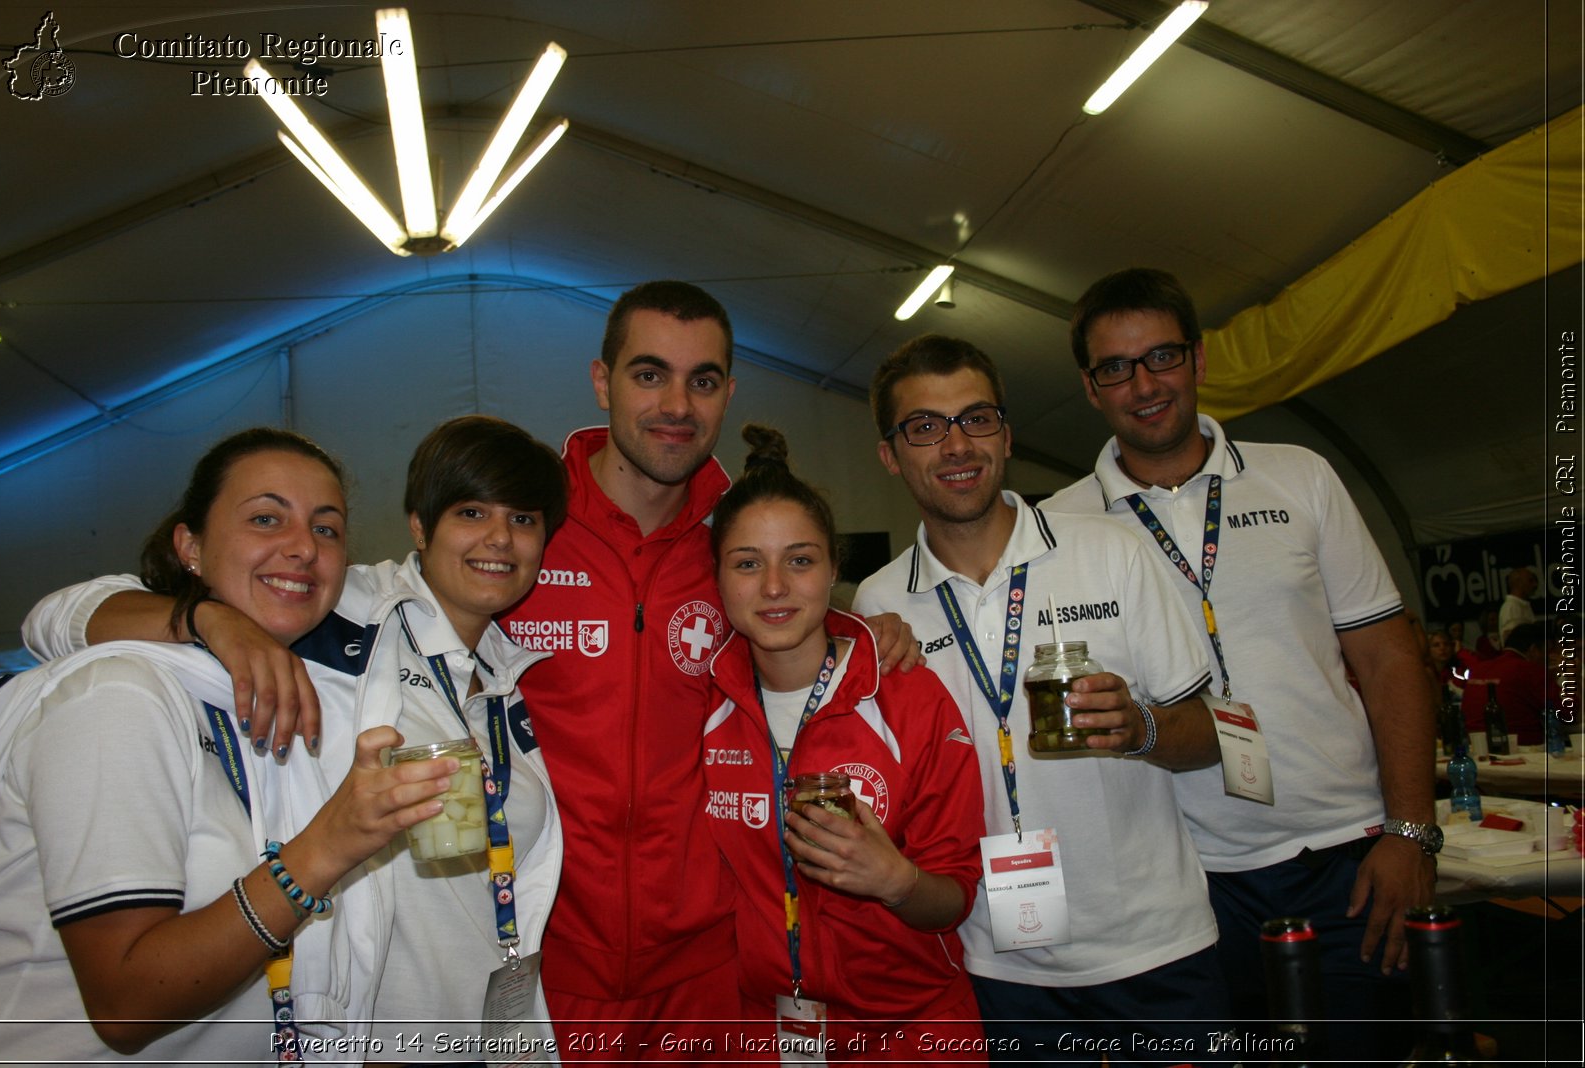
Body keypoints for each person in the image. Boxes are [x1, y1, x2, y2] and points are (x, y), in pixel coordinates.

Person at [19, 416, 569, 1052]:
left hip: (484, 1037)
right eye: (471, 512)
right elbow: (55, 619)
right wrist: (209, 619)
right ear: (419, 525)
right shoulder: (339, 608)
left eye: (524, 520)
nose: (499, 539)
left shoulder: (505, 680)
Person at [493, 281, 919, 1054]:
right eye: (649, 374)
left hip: (709, 970)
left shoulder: (737, 536)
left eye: (704, 380)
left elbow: (804, 620)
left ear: (728, 392)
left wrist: (875, 629)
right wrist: (203, 612)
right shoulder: (528, 521)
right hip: (546, 965)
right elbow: (399, 600)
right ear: (603, 381)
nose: (677, 405)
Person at [1047, 267, 1438, 1057]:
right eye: (1115, 368)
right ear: (1090, 389)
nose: (1144, 384)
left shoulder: (1300, 477)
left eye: (1161, 356)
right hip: (1182, 881)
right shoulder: (1057, 528)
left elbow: (1389, 657)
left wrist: (1411, 833)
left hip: (1346, 859)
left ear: (1197, 359)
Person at [852, 335, 1230, 1063]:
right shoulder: (880, 605)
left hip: (1157, 954)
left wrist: (1142, 727)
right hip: (998, 969)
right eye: (925, 427)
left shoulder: (1111, 553)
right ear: (891, 454)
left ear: (1007, 434)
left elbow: (1213, 734)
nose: (956, 444)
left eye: (977, 418)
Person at [704, 423, 985, 1058]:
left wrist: (897, 880)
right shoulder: (702, 703)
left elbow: (956, 897)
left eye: (799, 560)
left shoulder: (907, 697)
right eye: (747, 563)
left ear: (834, 565)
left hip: (911, 1032)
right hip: (763, 1032)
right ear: (717, 577)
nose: (774, 587)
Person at [1461, 622, 1556, 746]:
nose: (1549, 657)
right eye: (1547, 652)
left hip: (1473, 747)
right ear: (1534, 650)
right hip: (1521, 749)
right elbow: (1568, 713)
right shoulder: (1529, 669)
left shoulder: (1478, 669)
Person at [1498, 566, 1540, 646]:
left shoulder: (1523, 605)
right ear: (1518, 583)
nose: (1535, 584)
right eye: (1530, 581)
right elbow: (1511, 642)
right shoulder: (1510, 607)